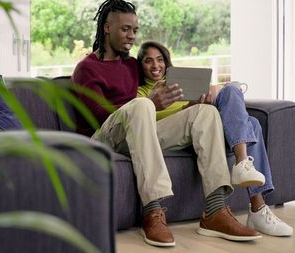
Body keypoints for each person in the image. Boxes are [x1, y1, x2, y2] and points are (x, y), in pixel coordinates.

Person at [72, 0, 266, 247]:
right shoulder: (86, 69)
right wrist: (151, 103)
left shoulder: (132, 65)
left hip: (139, 131)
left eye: (135, 30)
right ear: (107, 27)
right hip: (104, 138)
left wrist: (187, 100)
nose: (132, 36)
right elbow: (95, 115)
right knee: (142, 105)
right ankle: (153, 211)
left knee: (204, 113)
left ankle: (216, 211)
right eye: (125, 29)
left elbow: (157, 83)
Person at [136, 40, 293, 237]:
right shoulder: (141, 93)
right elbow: (144, 121)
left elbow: (191, 114)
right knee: (246, 122)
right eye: (148, 61)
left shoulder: (179, 85)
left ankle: (256, 204)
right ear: (140, 65)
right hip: (176, 133)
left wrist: (195, 103)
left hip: (200, 124)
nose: (155, 65)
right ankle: (254, 199)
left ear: (167, 61)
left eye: (160, 60)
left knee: (245, 113)